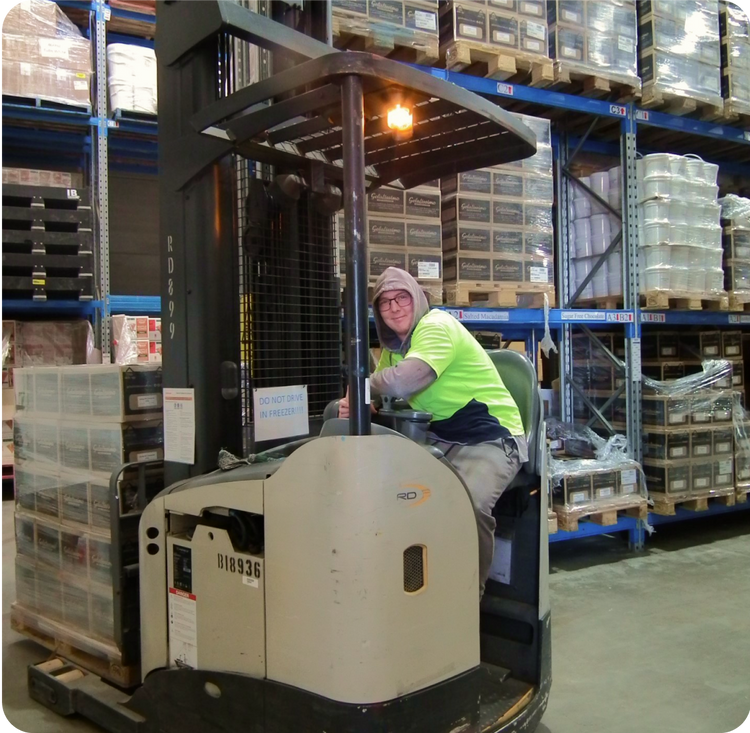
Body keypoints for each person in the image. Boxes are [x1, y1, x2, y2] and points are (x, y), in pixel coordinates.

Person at [339, 267, 528, 596]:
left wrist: (362, 387)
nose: (395, 308)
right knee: (400, 500)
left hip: (490, 437)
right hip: (440, 438)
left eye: (402, 298)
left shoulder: (436, 326)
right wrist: (354, 402)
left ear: (417, 299)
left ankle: (468, 602)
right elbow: (382, 391)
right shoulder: (394, 349)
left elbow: (403, 380)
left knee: (467, 503)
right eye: (385, 303)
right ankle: (419, 592)